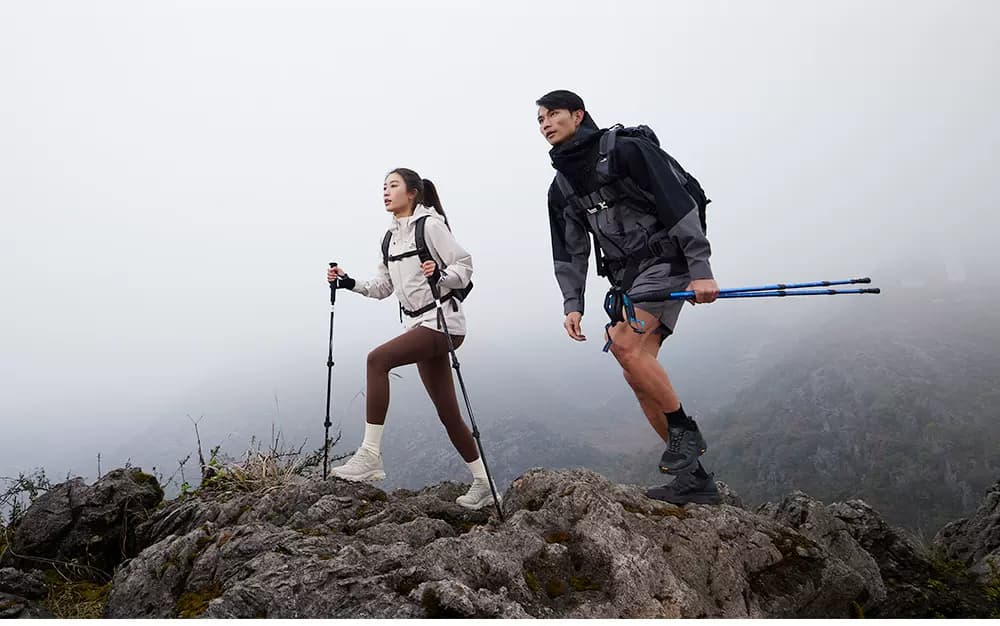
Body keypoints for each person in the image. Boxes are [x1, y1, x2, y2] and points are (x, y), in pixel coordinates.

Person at [537, 90, 722, 505]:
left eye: (554, 115)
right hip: (628, 280)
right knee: (634, 367)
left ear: (578, 115)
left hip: (668, 260)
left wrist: (701, 270)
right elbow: (568, 249)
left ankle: (684, 432)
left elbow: (678, 205)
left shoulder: (627, 152)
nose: (546, 123)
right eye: (541, 119)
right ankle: (695, 480)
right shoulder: (562, 185)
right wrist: (573, 303)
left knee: (625, 345)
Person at [326, 168, 498, 510]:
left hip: (443, 322)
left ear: (413, 193)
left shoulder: (431, 225)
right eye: (383, 188)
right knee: (448, 413)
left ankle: (370, 456)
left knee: (377, 359)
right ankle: (485, 484)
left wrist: (442, 275)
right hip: (418, 327)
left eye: (393, 186)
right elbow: (383, 287)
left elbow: (464, 267)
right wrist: (348, 282)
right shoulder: (389, 238)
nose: (386, 193)